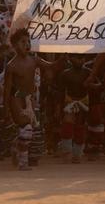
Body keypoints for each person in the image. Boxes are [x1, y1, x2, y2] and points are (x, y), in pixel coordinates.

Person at [4, 28, 64, 171]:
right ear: (14, 45)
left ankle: (16, 148)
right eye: (22, 42)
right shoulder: (11, 66)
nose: (27, 44)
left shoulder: (34, 59)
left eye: (28, 41)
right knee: (26, 128)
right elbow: (7, 90)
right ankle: (23, 162)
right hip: (17, 98)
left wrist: (62, 58)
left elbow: (50, 67)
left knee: (29, 131)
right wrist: (6, 108)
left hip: (30, 98)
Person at [57, 54, 92, 163]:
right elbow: (60, 92)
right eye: (77, 58)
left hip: (83, 101)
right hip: (69, 101)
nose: (79, 60)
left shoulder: (89, 73)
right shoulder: (65, 74)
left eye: (82, 58)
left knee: (80, 127)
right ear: (70, 59)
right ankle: (67, 152)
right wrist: (58, 108)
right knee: (67, 125)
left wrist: (91, 84)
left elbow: (98, 85)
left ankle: (77, 154)